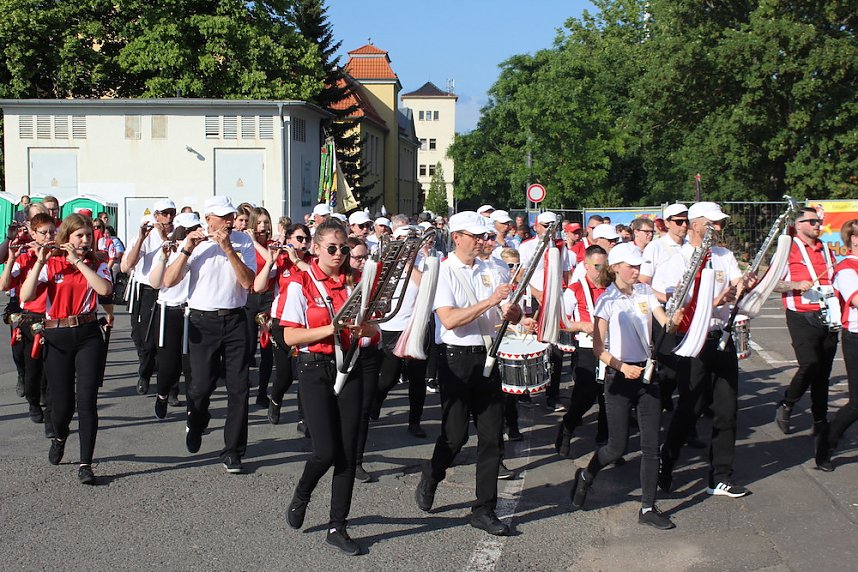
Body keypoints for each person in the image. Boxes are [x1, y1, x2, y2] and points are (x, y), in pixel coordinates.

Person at [415, 211, 522, 537]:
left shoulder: (497, 268)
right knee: (455, 435)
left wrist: (513, 312)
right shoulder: (442, 271)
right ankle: (432, 474)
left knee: (492, 437)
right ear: (457, 236)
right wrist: (490, 301)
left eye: (484, 236)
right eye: (475, 236)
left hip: (489, 356)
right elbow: (449, 319)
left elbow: (509, 317)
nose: (482, 241)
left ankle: (484, 509)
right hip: (456, 360)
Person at [280, 220, 375, 556]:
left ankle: (338, 525)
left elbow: (374, 332)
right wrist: (330, 329)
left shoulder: (355, 284)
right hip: (314, 368)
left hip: (350, 366)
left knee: (348, 454)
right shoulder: (300, 283)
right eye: (332, 248)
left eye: (343, 249)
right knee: (325, 450)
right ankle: (303, 492)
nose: (338, 254)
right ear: (316, 248)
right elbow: (290, 336)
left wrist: (365, 328)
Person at [568, 243, 675, 529]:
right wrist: (621, 367)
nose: (637, 271)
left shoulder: (644, 292)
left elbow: (664, 321)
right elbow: (598, 349)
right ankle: (586, 475)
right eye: (631, 266)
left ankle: (648, 507)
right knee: (616, 448)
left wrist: (675, 318)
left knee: (651, 445)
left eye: (639, 266)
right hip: (618, 378)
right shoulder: (607, 301)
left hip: (647, 375)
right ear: (616, 267)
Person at [654, 202, 753, 499]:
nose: (720, 227)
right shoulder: (677, 259)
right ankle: (666, 462)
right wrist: (714, 301)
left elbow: (737, 282)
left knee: (727, 409)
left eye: (721, 222)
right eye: (714, 223)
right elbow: (674, 308)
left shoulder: (724, 255)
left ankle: (720, 476)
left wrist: (744, 287)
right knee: (690, 408)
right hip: (691, 339)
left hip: (721, 337)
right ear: (697, 224)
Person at [162, 196, 255, 474]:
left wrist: (228, 248)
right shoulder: (194, 243)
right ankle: (197, 420)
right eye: (222, 217)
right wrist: (187, 249)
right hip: (203, 321)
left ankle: (233, 451)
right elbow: (169, 280)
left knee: (239, 388)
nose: (228, 222)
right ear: (208, 219)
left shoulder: (242, 241)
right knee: (201, 387)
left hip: (235, 319)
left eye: (231, 216)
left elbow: (248, 281)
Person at [20, 213, 113, 485]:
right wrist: (40, 262)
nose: (84, 240)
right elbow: (25, 297)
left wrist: (78, 262)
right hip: (56, 333)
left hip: (87, 334)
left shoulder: (98, 261)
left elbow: (105, 289)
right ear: (67, 238)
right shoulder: (52, 263)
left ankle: (86, 463)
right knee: (61, 405)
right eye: (79, 236)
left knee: (87, 401)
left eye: (88, 236)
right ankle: (60, 436)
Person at [772, 207, 839, 436]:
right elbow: (770, 282)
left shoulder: (826, 250)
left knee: (824, 371)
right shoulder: (787, 249)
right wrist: (794, 285)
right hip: (801, 315)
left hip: (827, 313)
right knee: (810, 363)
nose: (817, 225)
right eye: (811, 221)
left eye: (819, 221)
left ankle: (820, 420)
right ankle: (788, 403)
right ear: (798, 225)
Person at [1, 212, 57, 430]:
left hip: (56, 318)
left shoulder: (61, 254)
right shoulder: (24, 256)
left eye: (52, 231)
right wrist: (12, 258)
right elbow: (4, 285)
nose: (49, 236)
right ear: (33, 233)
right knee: (32, 370)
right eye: (43, 232)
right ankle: (34, 402)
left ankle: (52, 418)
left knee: (54, 372)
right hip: (31, 319)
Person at [555, 245, 610, 456]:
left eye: (604, 265)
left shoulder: (612, 287)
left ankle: (604, 443)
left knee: (608, 397)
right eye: (597, 266)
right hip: (587, 348)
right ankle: (567, 429)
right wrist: (581, 325)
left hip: (611, 346)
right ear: (586, 266)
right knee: (585, 397)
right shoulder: (575, 289)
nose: (601, 270)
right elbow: (562, 321)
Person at [121, 199, 177, 395]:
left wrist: (164, 237)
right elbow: (129, 263)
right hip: (147, 291)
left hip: (170, 291)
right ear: (156, 216)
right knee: (147, 340)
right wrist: (141, 239)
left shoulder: (179, 233)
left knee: (169, 342)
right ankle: (144, 374)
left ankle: (171, 386)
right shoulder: (146, 234)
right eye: (164, 213)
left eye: (172, 213)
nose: (169, 217)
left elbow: (177, 254)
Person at [147, 213, 199, 416]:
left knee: (192, 368)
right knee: (169, 366)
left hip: (192, 311)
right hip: (168, 311)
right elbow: (155, 282)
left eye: (192, 230)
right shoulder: (167, 251)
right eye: (184, 232)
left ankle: (193, 413)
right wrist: (163, 257)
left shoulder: (200, 251)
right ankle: (162, 394)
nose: (188, 235)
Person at [817, 219, 858, 471]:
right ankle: (826, 442)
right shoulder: (846, 268)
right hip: (856, 335)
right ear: (852, 239)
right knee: (857, 404)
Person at [262, 223, 312, 429]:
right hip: (281, 322)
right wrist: (271, 260)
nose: (303, 243)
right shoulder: (280, 260)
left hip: (305, 323)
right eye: (299, 239)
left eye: (306, 239)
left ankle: (305, 418)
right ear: (288, 239)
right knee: (284, 374)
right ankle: (275, 400)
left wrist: (298, 261)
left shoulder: (312, 262)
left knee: (304, 371)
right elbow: (260, 285)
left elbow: (318, 279)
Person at [244, 207, 276, 407]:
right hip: (248, 299)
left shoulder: (273, 245)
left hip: (267, 299)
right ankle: (243, 386)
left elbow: (272, 264)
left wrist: (255, 242)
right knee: (246, 347)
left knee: (266, 347)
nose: (263, 226)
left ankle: (263, 392)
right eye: (259, 223)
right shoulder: (245, 244)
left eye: (266, 222)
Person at [640, 204, 688, 289]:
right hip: (662, 301)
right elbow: (644, 281)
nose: (684, 225)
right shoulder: (655, 247)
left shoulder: (690, 246)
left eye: (687, 221)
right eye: (679, 222)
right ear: (667, 223)